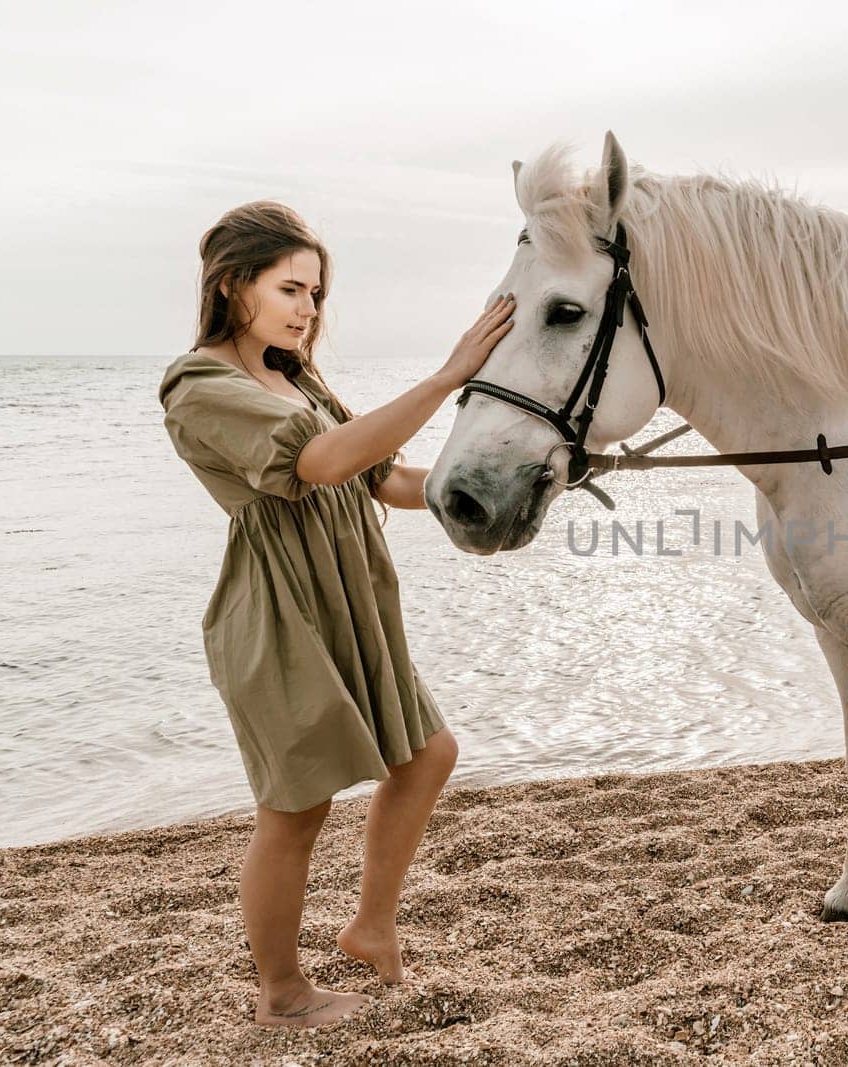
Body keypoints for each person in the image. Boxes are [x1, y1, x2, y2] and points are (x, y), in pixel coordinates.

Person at [159, 201, 515, 1028]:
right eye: (290, 288)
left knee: (427, 755)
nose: (307, 308)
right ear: (231, 284)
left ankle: (370, 924)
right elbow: (321, 464)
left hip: (352, 601)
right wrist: (445, 375)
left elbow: (379, 476)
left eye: (316, 293)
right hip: (282, 612)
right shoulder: (198, 383)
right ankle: (282, 993)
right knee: (296, 808)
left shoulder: (295, 376)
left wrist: (495, 482)